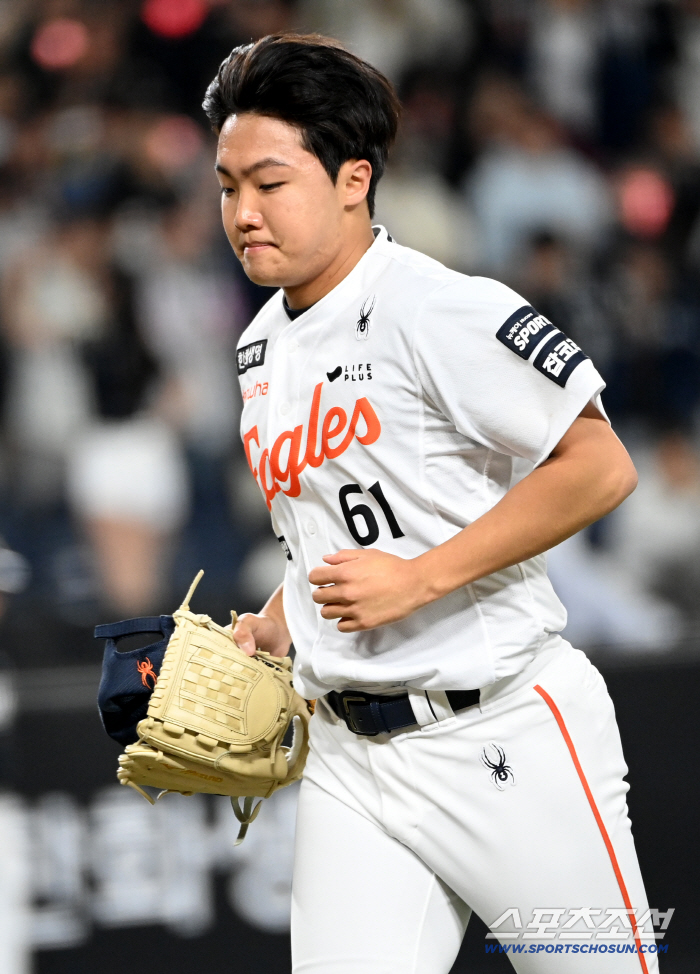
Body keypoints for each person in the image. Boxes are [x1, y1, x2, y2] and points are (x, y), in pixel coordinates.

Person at [203, 34, 658, 973]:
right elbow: (330, 524)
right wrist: (282, 621)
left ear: (354, 179)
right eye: (227, 186)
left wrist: (420, 578)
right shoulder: (260, 344)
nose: (243, 212)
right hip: (349, 759)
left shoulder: (437, 307)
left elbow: (601, 465)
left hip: (502, 734)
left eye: (270, 182)